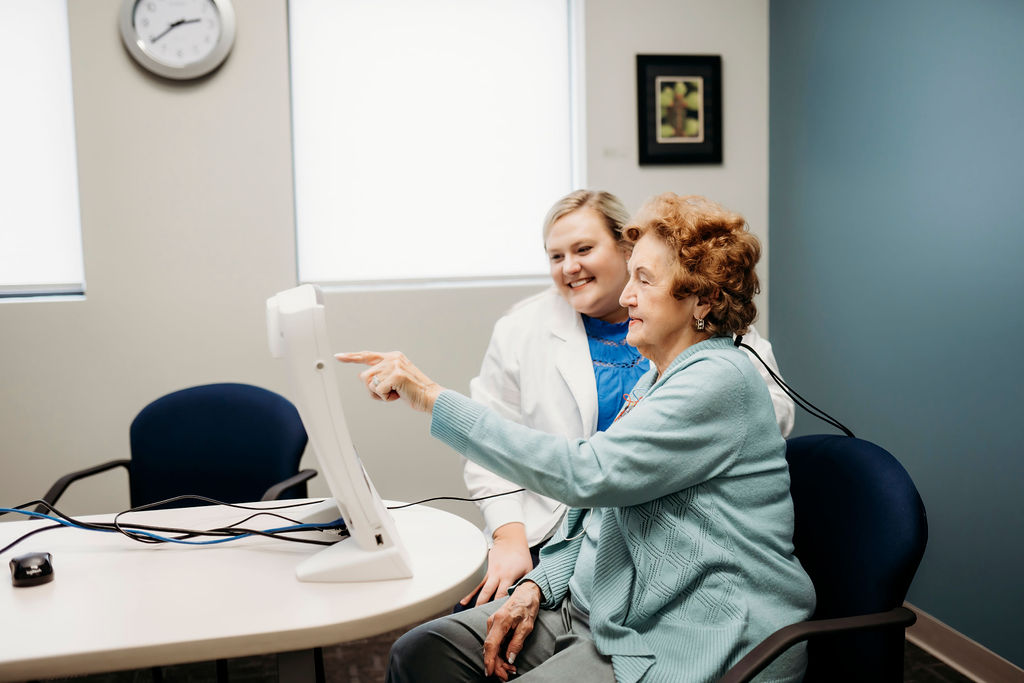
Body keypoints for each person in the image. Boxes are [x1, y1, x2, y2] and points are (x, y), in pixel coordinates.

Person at [336, 193, 815, 683]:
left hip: (688, 630)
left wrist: (434, 399)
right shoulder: (658, 374)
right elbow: (603, 514)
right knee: (423, 652)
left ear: (705, 298)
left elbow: (585, 473)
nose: (627, 296)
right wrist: (538, 585)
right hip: (601, 602)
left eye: (644, 280)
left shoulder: (718, 380)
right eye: (631, 278)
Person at [461, 189, 795, 610]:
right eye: (556, 256)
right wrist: (508, 538)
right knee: (461, 633)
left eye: (584, 249)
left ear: (626, 247)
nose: (570, 267)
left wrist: (673, 434)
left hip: (660, 529)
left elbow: (769, 412)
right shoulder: (521, 329)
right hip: (557, 529)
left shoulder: (703, 337)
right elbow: (493, 450)